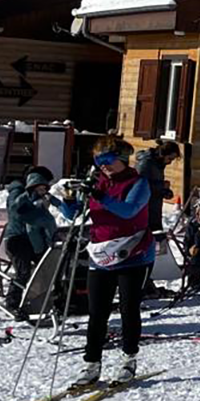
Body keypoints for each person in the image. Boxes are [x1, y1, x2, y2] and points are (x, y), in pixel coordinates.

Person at [73, 143, 154, 386]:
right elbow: (76, 213)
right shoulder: (98, 182)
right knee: (97, 312)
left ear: (122, 158)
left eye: (107, 159)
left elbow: (128, 211)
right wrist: (67, 200)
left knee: (129, 309)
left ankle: (129, 360)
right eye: (98, 161)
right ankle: (91, 364)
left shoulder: (139, 183)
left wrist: (100, 197)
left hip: (134, 254)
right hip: (102, 254)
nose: (103, 166)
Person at [4, 166, 62, 316]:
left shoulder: (37, 193)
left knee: (47, 268)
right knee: (23, 272)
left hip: (33, 239)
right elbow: (15, 210)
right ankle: (12, 304)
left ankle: (47, 301)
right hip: (17, 238)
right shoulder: (18, 191)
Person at [136, 139, 180, 240]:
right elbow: (140, 186)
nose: (170, 162)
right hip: (144, 209)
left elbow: (154, 186)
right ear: (163, 154)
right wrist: (161, 186)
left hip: (154, 207)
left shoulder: (158, 165)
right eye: (170, 158)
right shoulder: (146, 164)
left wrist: (165, 192)